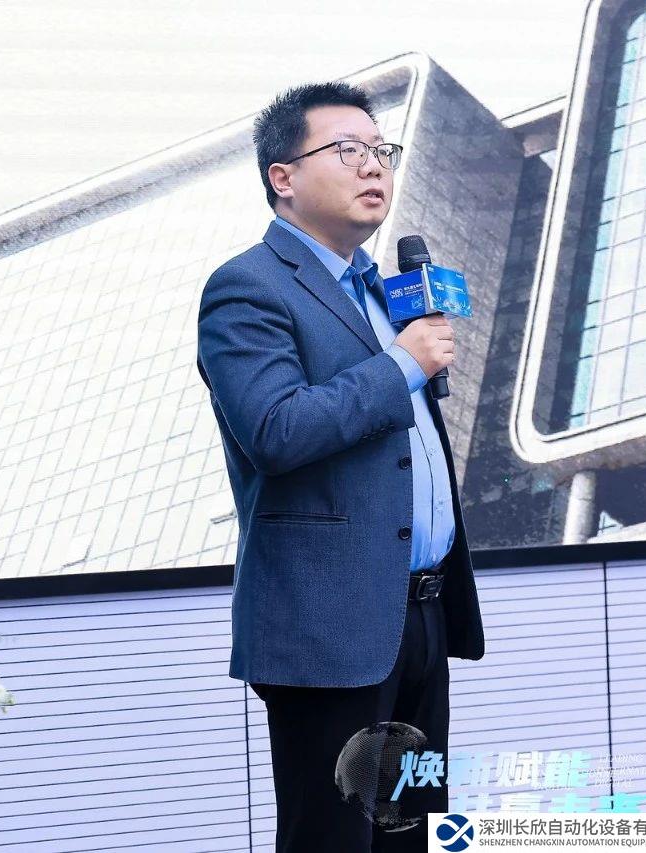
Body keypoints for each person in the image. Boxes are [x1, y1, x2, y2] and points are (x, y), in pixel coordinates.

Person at [195, 81, 485, 851]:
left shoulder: (385, 293)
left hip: (420, 614)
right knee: (333, 840)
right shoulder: (247, 288)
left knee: (415, 835)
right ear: (283, 176)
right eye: (348, 150)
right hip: (330, 629)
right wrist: (402, 364)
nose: (374, 166)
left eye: (381, 150)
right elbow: (275, 428)